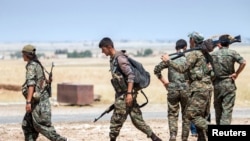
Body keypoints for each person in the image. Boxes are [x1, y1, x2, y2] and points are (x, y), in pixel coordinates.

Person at [98, 37, 162, 141]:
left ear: (109, 47)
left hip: (125, 95)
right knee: (137, 119)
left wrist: (128, 94)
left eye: (103, 49)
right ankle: (155, 139)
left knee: (116, 122)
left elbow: (130, 75)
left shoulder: (120, 59)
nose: (102, 52)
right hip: (125, 94)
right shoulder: (114, 58)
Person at [161, 32, 214, 141]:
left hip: (198, 89)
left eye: (190, 39)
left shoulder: (194, 54)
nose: (189, 41)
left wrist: (169, 61)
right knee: (201, 116)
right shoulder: (205, 54)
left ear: (193, 41)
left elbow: (182, 68)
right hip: (208, 89)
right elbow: (213, 73)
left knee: (191, 115)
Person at [21, 44, 67, 141]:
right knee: (27, 126)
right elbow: (42, 82)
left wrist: (28, 102)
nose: (22, 56)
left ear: (27, 54)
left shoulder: (32, 66)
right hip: (38, 102)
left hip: (38, 104)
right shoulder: (37, 64)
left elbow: (31, 84)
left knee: (42, 127)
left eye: (23, 53)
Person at [154, 39, 190, 141]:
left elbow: (156, 69)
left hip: (172, 89)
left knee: (172, 114)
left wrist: (165, 82)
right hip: (186, 89)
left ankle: (173, 135)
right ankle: (184, 137)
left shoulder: (170, 59)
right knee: (186, 115)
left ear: (176, 48)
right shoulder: (188, 59)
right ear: (185, 48)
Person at [211, 34, 246, 125]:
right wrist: (236, 73)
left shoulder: (213, 54)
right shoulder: (232, 53)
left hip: (217, 84)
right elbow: (243, 62)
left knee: (218, 109)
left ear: (220, 44)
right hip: (229, 83)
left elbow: (207, 67)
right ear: (228, 43)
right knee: (227, 109)